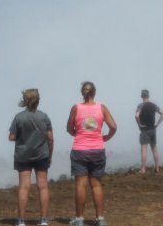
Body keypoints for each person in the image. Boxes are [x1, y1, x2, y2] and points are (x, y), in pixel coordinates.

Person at [66, 81, 117, 226]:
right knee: (96, 185)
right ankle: (100, 219)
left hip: (80, 150)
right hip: (97, 149)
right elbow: (114, 126)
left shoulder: (76, 108)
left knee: (81, 185)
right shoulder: (102, 108)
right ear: (94, 92)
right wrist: (105, 137)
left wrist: (79, 134)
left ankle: (80, 219)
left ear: (82, 93)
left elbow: (69, 129)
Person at [9, 89, 54, 226]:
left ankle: (21, 220)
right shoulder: (44, 117)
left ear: (25, 101)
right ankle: (44, 220)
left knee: (24, 187)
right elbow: (50, 139)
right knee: (43, 186)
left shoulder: (18, 117)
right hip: (41, 155)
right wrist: (50, 154)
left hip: (23, 155)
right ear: (38, 100)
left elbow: (11, 137)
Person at [135, 89, 163, 173]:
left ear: (141, 96)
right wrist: (157, 123)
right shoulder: (153, 105)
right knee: (154, 148)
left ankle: (143, 169)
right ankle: (157, 168)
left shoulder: (141, 105)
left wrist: (139, 124)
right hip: (153, 129)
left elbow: (136, 116)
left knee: (144, 149)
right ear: (148, 96)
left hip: (144, 130)